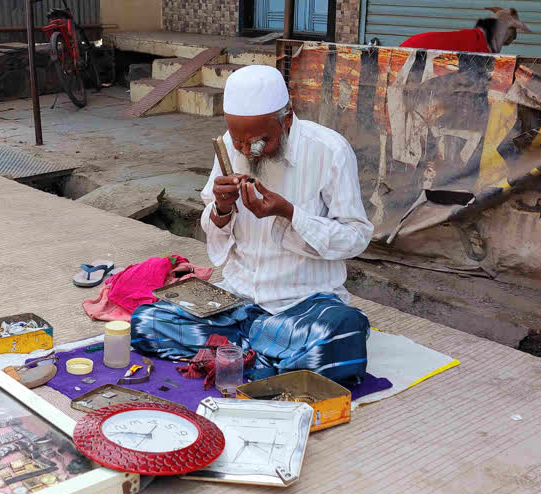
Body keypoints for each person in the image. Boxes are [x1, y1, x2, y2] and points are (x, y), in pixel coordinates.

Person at [130, 65, 373, 385]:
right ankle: (264, 354)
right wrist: (221, 208)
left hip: (301, 305)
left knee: (342, 333)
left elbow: (356, 236)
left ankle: (235, 352)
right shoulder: (231, 147)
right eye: (238, 141)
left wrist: (289, 213)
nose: (246, 151)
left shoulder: (329, 151)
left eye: (258, 143)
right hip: (235, 302)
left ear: (286, 120)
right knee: (145, 322)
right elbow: (213, 225)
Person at [399, 7, 530, 54]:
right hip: (413, 51)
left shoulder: (478, 40)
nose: (514, 36)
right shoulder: (480, 47)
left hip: (411, 47)